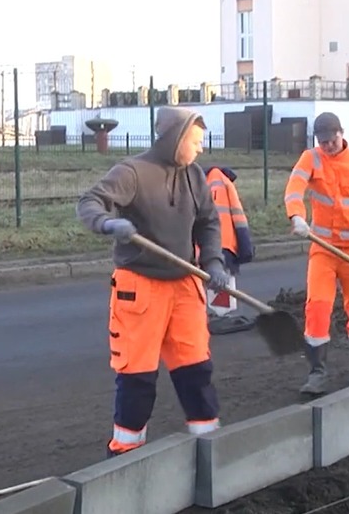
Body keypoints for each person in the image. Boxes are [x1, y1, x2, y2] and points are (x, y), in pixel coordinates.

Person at [76, 106, 232, 458]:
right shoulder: (132, 172)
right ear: (175, 139)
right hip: (140, 287)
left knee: (196, 371)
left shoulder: (194, 176)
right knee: (138, 378)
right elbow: (90, 202)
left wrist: (214, 261)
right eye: (195, 141)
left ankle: (208, 447)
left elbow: (208, 222)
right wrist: (107, 223)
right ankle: (125, 457)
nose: (200, 148)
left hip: (185, 285)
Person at [284, 112, 349, 394]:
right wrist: (297, 217)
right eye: (322, 142)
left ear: (342, 133)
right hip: (323, 249)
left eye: (332, 140)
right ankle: (317, 374)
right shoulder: (310, 158)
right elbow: (294, 189)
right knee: (317, 307)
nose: (327, 146)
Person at [203, 165, 255, 319]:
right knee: (221, 280)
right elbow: (239, 217)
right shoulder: (223, 182)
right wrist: (245, 246)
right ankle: (222, 317)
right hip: (224, 244)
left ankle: (213, 315)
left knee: (209, 280)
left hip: (205, 244)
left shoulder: (203, 182)